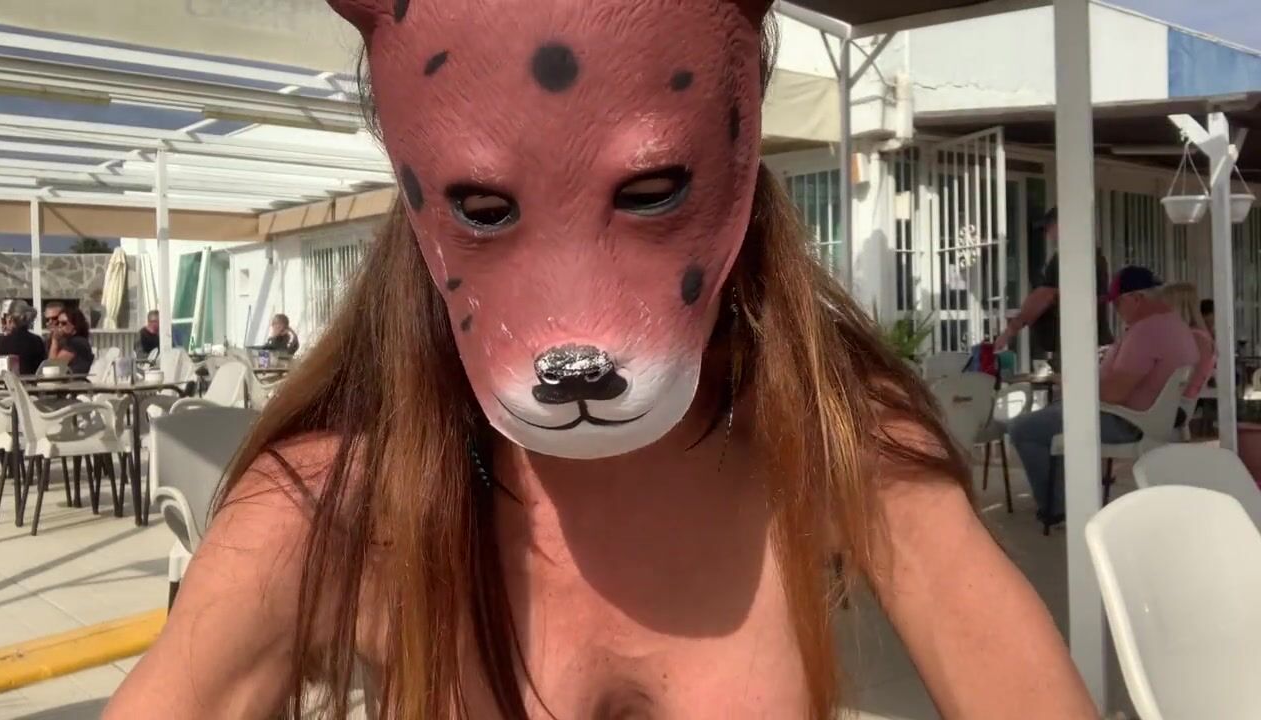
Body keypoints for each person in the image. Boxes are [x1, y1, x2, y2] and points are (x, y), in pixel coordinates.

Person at [107, 2, 1096, 719]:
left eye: (651, 191)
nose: (575, 338)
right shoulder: (331, 506)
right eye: (483, 209)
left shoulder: (842, 442)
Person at [1008, 266, 1200, 525]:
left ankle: (1057, 507)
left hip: (1124, 421)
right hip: (1143, 418)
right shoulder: (1176, 326)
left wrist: (1076, 386)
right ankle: (1067, 498)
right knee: (1050, 417)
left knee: (1023, 428)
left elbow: (1113, 393)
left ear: (1136, 298)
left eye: (1118, 303)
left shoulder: (1146, 332)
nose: (1116, 310)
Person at [993, 207, 1113, 365]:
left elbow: (1044, 295)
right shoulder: (1092, 255)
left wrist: (1009, 332)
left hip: (1077, 345)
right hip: (1087, 342)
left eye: (1050, 227)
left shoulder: (1069, 258)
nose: (1048, 234)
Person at [1160, 282, 1216, 401]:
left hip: (1177, 402)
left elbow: (1188, 382)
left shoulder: (1196, 338)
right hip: (1174, 400)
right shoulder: (1195, 336)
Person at [0, 300, 47, 375]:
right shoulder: (37, 341)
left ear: (10, 319)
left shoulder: (3, 341)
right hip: (32, 381)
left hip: (11, 381)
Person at [48, 307, 95, 375]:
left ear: (74, 324)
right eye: (58, 323)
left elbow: (53, 367)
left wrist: (54, 340)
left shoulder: (76, 342)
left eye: (63, 323)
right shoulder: (75, 341)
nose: (59, 326)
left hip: (74, 380)